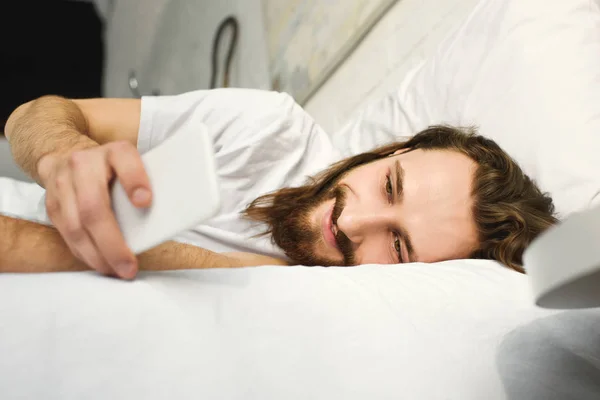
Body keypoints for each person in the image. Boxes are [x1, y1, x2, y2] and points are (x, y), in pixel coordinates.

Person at [0, 89, 557, 279]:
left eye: (399, 247)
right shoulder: (271, 129)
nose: (352, 223)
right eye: (389, 186)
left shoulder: (341, 307)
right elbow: (36, 113)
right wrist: (63, 153)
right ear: (390, 151)